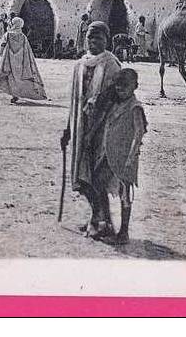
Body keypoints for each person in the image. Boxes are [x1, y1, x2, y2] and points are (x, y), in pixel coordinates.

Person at [60, 21, 122, 236]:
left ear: (107, 40)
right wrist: (69, 129)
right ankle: (99, 219)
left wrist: (93, 131)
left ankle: (99, 221)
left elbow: (110, 101)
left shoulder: (112, 65)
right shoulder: (79, 65)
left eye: (98, 38)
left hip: (102, 129)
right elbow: (74, 101)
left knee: (98, 178)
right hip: (80, 127)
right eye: (90, 38)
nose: (93, 42)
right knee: (82, 176)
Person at [77, 68, 148, 244]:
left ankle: (124, 232)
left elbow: (139, 133)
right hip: (109, 153)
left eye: (125, 87)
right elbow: (101, 119)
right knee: (99, 182)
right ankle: (106, 221)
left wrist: (131, 156)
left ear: (135, 86)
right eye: (118, 86)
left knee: (125, 194)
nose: (121, 90)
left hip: (125, 156)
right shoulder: (114, 104)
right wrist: (90, 135)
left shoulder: (135, 107)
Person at [0, 16, 46, 104]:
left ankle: (14, 95)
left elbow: (2, 45)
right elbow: (27, 50)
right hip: (20, 61)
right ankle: (17, 94)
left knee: (10, 76)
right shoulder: (23, 37)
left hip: (8, 59)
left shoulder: (8, 35)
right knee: (18, 77)